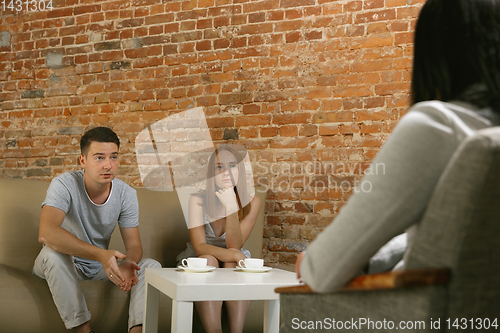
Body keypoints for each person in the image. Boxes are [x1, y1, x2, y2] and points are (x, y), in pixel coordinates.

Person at [295, 0, 500, 292]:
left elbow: (323, 270)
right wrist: (377, 259)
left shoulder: (438, 125)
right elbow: (454, 232)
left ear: (436, 52)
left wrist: (312, 264)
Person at [33, 127, 161, 333]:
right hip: (65, 264)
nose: (108, 165)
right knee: (52, 254)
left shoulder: (126, 194)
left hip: (99, 268)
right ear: (83, 161)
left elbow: (134, 245)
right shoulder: (63, 184)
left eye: (113, 157)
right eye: (99, 158)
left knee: (150, 266)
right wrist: (101, 254)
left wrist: (129, 262)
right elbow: (46, 232)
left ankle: (137, 330)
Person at [176, 145, 261, 333]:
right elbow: (200, 247)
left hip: (233, 255)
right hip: (204, 256)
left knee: (234, 265)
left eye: (232, 166)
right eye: (219, 167)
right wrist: (234, 255)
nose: (226, 173)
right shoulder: (197, 200)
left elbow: (234, 245)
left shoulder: (253, 202)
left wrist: (231, 207)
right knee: (209, 260)